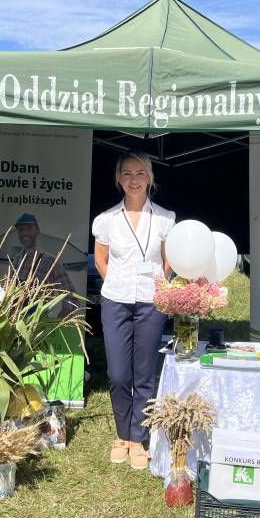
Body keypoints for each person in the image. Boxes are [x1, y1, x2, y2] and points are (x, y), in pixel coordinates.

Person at [92, 152, 175, 470]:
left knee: (144, 373)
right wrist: (114, 282)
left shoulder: (165, 218)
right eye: (127, 173)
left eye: (140, 173)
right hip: (116, 301)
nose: (134, 179)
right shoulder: (107, 219)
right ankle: (121, 433)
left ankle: (137, 439)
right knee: (117, 374)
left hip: (151, 302)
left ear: (150, 178)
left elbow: (169, 259)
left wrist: (163, 284)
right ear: (118, 179)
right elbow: (101, 259)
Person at [9, 213, 76, 318]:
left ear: (37, 231)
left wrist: (54, 326)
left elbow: (72, 298)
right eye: (21, 230)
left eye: (29, 228)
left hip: (37, 325)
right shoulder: (16, 260)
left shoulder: (50, 261)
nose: (25, 233)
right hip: (13, 323)